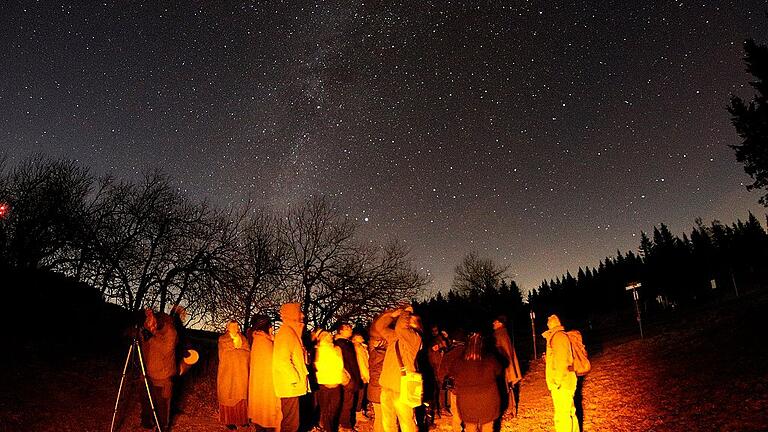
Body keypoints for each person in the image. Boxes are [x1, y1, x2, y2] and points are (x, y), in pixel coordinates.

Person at [372, 305, 422, 432]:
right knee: (388, 424)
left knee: (406, 424)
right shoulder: (395, 337)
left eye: (411, 318)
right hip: (387, 385)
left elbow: (400, 327)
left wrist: (406, 311)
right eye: (407, 318)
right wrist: (391, 315)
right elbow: (379, 327)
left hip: (402, 387)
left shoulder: (414, 338)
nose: (407, 319)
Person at [449, 332, 503, 432]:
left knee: (470, 428)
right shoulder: (490, 359)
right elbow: (499, 370)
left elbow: (452, 374)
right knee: (488, 428)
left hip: (467, 404)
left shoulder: (459, 362)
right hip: (488, 402)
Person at [138, 308, 179, 431]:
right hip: (147, 372)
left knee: (162, 405)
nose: (151, 325)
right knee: (145, 399)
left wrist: (151, 336)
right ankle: (146, 421)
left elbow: (166, 350)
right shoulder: (150, 328)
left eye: (153, 322)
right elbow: (145, 344)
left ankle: (162, 427)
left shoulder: (171, 332)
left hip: (163, 375)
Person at [273, 303, 310, 432]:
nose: (303, 315)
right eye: (299, 312)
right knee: (290, 423)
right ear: (292, 315)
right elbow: (281, 360)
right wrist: (294, 378)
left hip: (292, 385)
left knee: (292, 421)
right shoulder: (286, 333)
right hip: (290, 385)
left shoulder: (291, 332)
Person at [543, 314, 579, 432]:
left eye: (549, 322)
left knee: (562, 416)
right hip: (566, 381)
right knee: (569, 412)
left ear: (553, 324)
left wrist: (557, 382)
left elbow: (562, 361)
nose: (547, 324)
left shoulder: (558, 337)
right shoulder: (558, 336)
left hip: (562, 383)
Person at [248, 314, 281, 432]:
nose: (272, 328)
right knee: (266, 413)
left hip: (260, 384)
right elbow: (275, 362)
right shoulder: (264, 342)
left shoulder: (258, 340)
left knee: (261, 412)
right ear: (268, 327)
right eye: (271, 326)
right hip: (267, 384)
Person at [218, 320, 251, 429]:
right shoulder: (223, 339)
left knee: (241, 396)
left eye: (236, 326)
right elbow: (225, 355)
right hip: (228, 372)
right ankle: (229, 420)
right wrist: (239, 352)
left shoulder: (244, 339)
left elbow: (248, 353)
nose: (235, 328)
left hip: (241, 373)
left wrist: (237, 351)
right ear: (227, 327)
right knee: (229, 395)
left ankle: (241, 419)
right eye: (232, 326)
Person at [315, 329, 345, 432]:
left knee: (335, 410)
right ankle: (329, 429)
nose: (331, 336)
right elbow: (317, 366)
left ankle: (330, 427)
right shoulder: (317, 350)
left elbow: (340, 365)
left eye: (330, 335)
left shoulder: (337, 349)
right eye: (327, 335)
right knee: (326, 411)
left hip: (336, 382)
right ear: (322, 338)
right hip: (324, 384)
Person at [492, 315, 522, 416]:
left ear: (501, 323)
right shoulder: (503, 333)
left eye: (495, 322)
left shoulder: (499, 335)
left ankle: (510, 409)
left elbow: (503, 352)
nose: (493, 324)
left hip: (503, 367)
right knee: (508, 387)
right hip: (505, 366)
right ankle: (511, 409)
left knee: (506, 388)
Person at [335, 323, 363, 431]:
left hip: (353, 376)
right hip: (348, 378)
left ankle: (347, 423)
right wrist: (347, 376)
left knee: (350, 401)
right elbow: (341, 362)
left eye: (350, 328)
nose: (351, 330)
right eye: (347, 328)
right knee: (347, 402)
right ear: (340, 331)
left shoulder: (347, 343)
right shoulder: (340, 344)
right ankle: (345, 425)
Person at [367, 317, 389, 432]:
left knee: (379, 418)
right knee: (383, 418)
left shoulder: (375, 354)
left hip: (374, 390)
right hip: (379, 391)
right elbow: (379, 373)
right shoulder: (380, 355)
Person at [351, 333, 370, 423]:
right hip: (361, 374)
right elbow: (361, 363)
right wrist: (364, 374)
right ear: (354, 339)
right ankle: (358, 413)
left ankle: (360, 410)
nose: (361, 336)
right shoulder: (357, 348)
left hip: (364, 373)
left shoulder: (362, 347)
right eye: (358, 336)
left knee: (362, 394)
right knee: (360, 394)